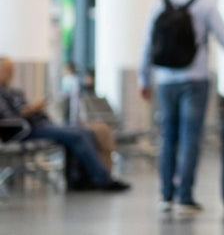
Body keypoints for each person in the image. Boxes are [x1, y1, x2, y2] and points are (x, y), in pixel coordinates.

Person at [138, 0, 224, 214]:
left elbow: (147, 44)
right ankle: (185, 197)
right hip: (195, 79)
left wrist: (144, 79)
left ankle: (166, 196)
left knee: (168, 137)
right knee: (190, 137)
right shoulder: (204, 4)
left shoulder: (160, 4)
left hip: (165, 80)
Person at [0, 56, 130, 192]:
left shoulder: (15, 91)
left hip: (40, 123)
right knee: (77, 136)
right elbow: (11, 118)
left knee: (86, 132)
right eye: (6, 70)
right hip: (24, 130)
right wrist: (32, 109)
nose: (10, 73)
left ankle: (82, 180)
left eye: (11, 70)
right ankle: (104, 180)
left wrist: (36, 109)